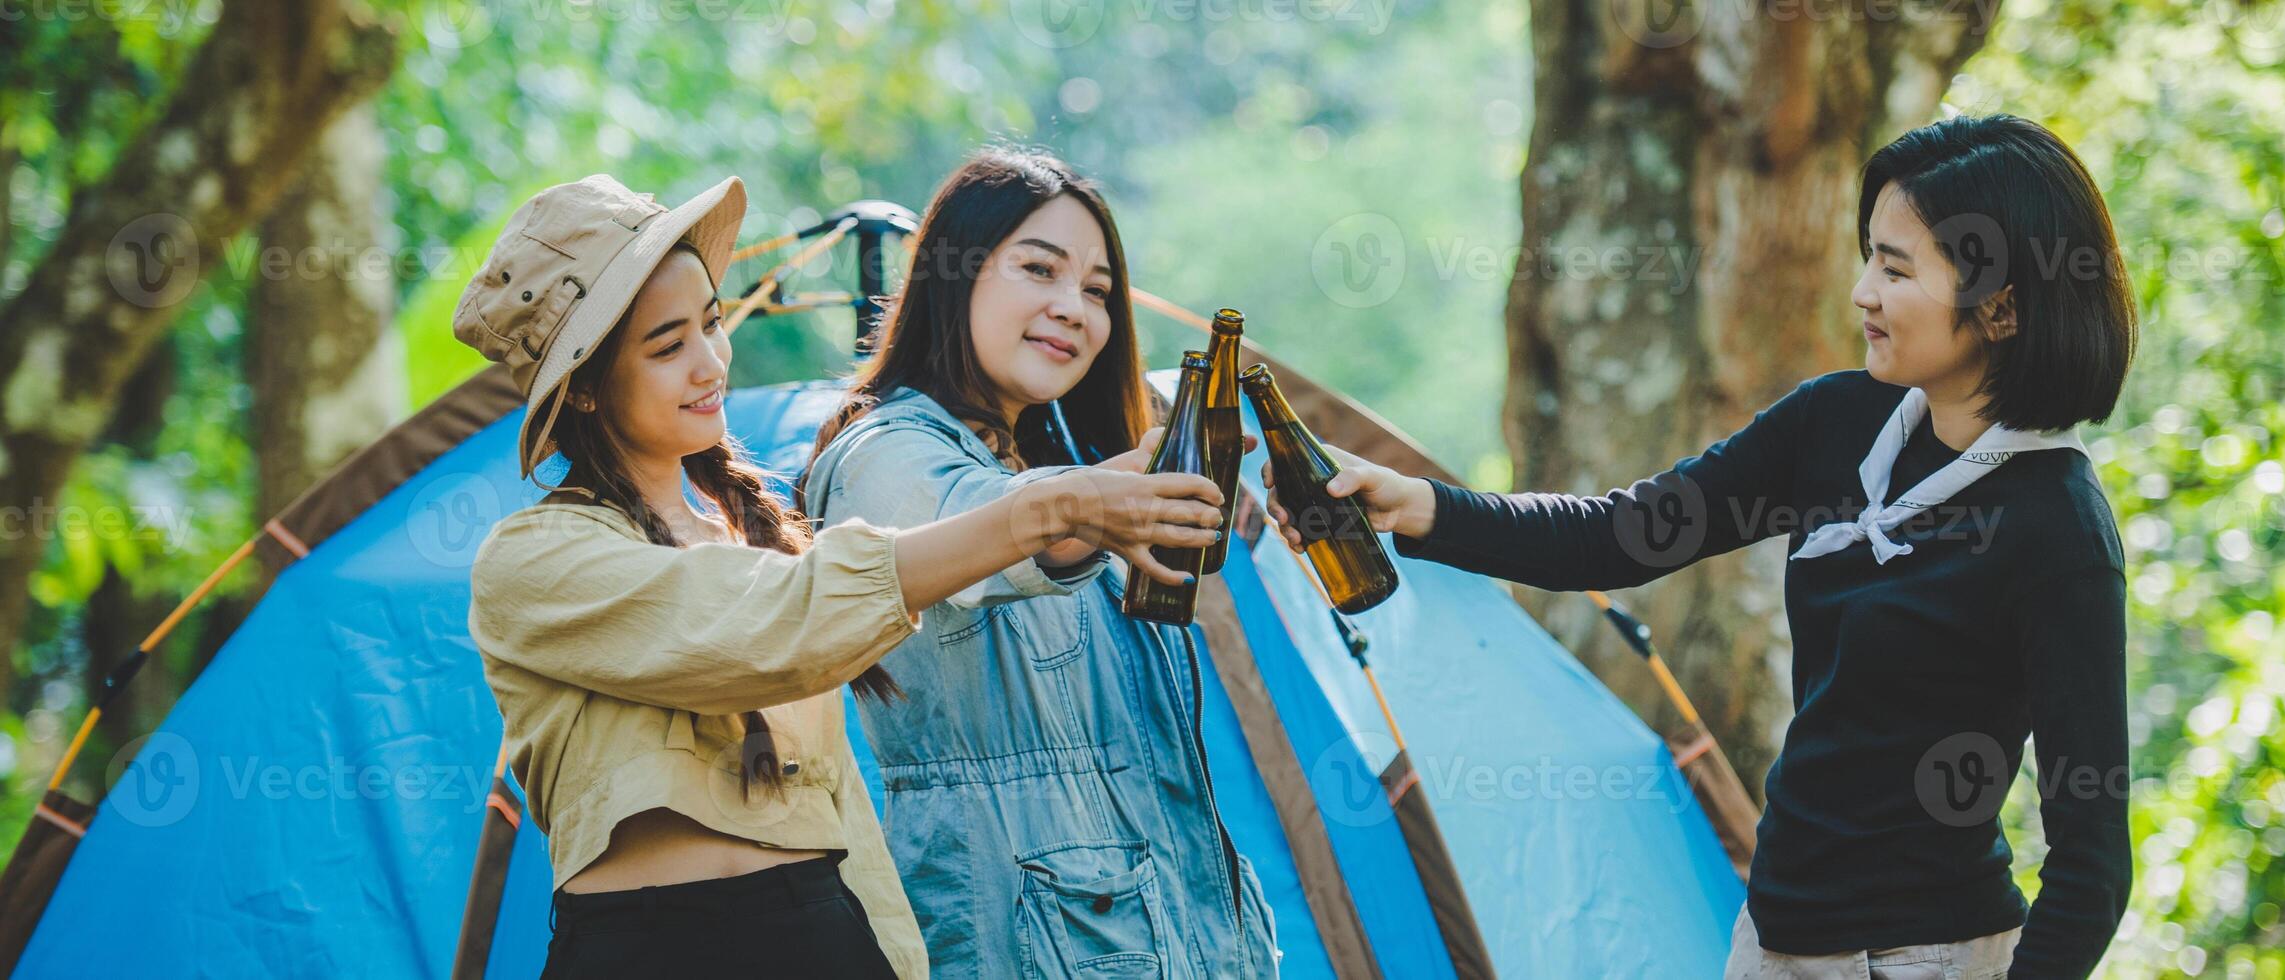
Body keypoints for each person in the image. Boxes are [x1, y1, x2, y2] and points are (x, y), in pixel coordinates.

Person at [1267, 114, 2137, 979]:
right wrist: (1417, 504)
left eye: (1896, 268)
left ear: (2002, 305)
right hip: (1772, 940)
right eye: (1868, 255)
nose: (1863, 291)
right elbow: (1615, 537)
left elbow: (2091, 864)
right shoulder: (1835, 422)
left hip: (1922, 959)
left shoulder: (2057, 527)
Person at [457, 174, 1226, 978]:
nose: (710, 362)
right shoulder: (533, 562)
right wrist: (1049, 511)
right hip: (643, 947)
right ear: (581, 386)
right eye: (667, 345)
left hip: (823, 937)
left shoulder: (756, 541)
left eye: (712, 324)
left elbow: (839, 808)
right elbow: (772, 627)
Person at [798, 147, 1283, 978]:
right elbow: (990, 528)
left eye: (1097, 291)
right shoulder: (883, 456)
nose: (1075, 309)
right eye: (1039, 269)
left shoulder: (1049, 459)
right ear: (957, 275)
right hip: (1014, 939)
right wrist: (1093, 504)